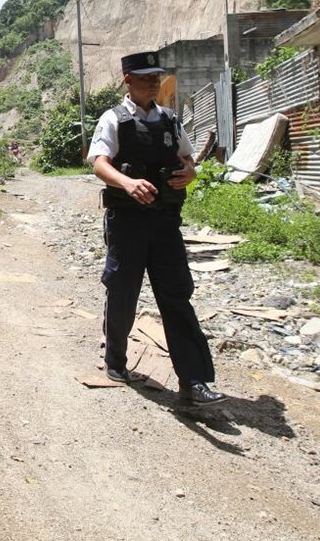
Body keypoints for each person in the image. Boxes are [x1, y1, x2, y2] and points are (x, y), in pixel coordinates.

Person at [86, 51, 226, 407]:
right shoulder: (113, 119)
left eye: (156, 77)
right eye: (145, 77)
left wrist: (190, 172)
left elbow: (187, 158)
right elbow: (99, 163)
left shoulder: (169, 120)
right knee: (123, 291)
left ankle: (194, 381)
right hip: (127, 222)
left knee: (176, 296)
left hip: (165, 221)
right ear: (127, 80)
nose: (153, 82)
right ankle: (115, 359)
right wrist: (127, 183)